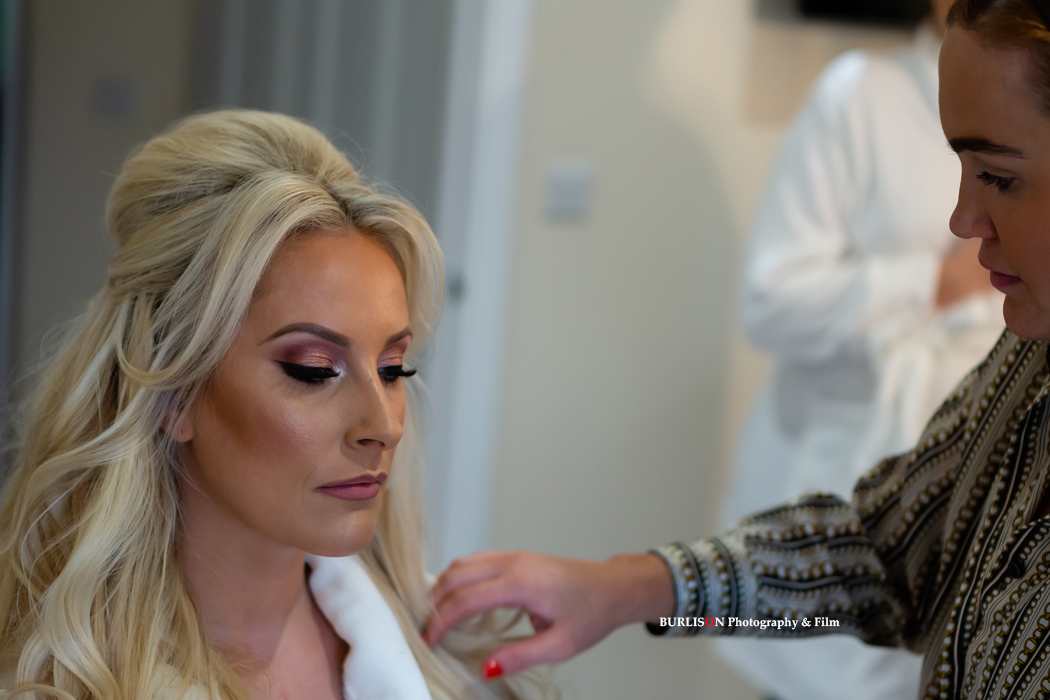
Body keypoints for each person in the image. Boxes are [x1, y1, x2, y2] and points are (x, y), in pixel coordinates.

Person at [423, 1, 1050, 697]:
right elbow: (886, 551)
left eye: (999, 178)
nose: (962, 219)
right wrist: (625, 588)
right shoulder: (1027, 364)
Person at [0, 110, 553, 700]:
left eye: (392, 368)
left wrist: (633, 590)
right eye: (313, 370)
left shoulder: (449, 649)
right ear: (173, 393)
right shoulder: (48, 681)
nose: (384, 426)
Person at [717, 0, 1003, 696]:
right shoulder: (860, 97)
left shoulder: (1029, 108)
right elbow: (772, 300)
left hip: (967, 503)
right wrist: (933, 284)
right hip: (843, 484)